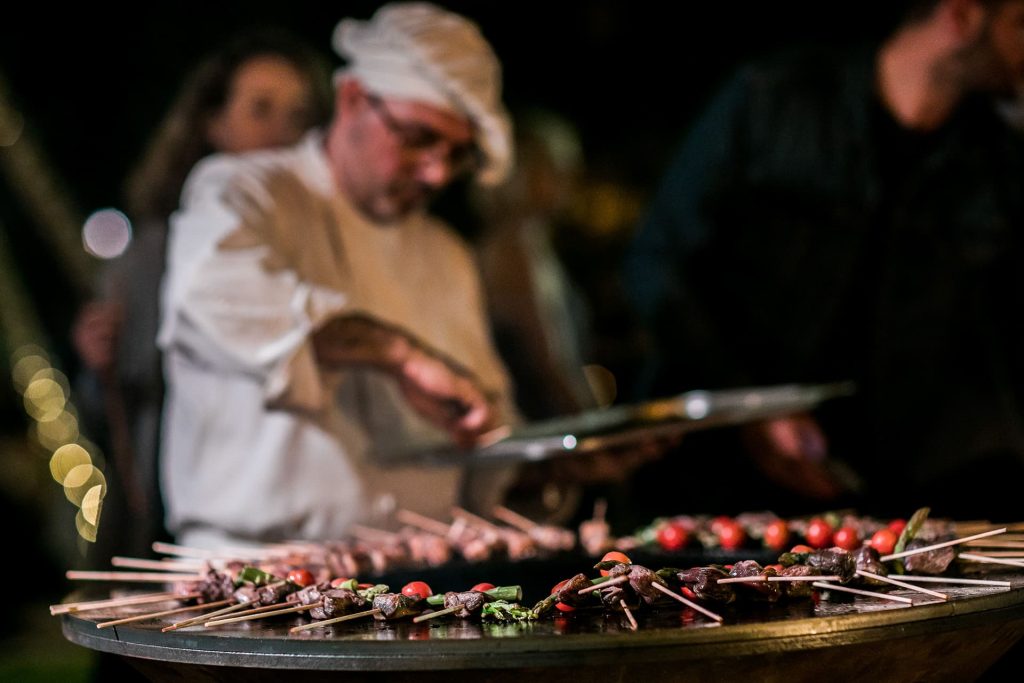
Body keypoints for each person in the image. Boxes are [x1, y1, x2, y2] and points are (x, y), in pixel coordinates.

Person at [624, 0, 1024, 524]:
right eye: (1020, 24)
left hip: (899, 499)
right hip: (713, 486)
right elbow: (657, 262)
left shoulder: (996, 153)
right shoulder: (772, 97)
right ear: (962, 17)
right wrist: (752, 407)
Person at [157, 2, 529, 550]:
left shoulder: (447, 254)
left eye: (457, 154)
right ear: (354, 99)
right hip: (256, 567)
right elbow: (227, 304)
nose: (436, 172)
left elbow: (486, 430)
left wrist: (549, 465)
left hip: (419, 577)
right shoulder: (242, 193)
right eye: (419, 138)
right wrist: (403, 358)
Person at [71, 26, 332, 562]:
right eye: (261, 109)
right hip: (183, 514)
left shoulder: (330, 243)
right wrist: (99, 365)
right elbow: (116, 406)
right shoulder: (155, 251)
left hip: (309, 516)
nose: (283, 132)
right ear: (214, 123)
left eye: (299, 115)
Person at [472, 106, 597, 422]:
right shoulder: (510, 249)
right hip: (538, 426)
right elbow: (546, 363)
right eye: (554, 166)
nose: (567, 178)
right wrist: (589, 431)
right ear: (519, 170)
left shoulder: (534, 245)